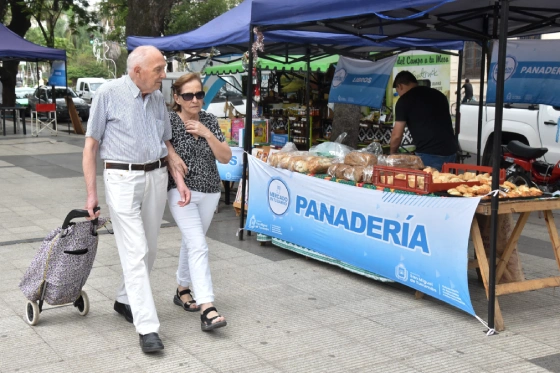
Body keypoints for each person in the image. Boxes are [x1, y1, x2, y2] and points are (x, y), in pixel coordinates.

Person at [82, 45, 189, 353]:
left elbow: (166, 143)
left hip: (155, 176)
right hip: (121, 178)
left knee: (151, 248)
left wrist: (178, 179)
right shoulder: (108, 94)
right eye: (159, 70)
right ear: (136, 71)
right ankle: (148, 327)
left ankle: (125, 299)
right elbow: (90, 147)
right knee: (136, 250)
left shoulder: (156, 98)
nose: (164, 75)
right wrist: (92, 194)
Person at [167, 72, 232, 331]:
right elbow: (162, 148)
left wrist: (207, 133)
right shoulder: (169, 120)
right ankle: (208, 307)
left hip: (210, 191)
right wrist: (171, 153)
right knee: (199, 245)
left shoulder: (209, 120)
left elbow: (225, 157)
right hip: (180, 191)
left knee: (192, 243)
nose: (195, 100)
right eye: (188, 95)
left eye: (199, 95)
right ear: (177, 98)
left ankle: (182, 288)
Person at [390, 70, 457, 171]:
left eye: (397, 90)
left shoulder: (404, 101)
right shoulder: (439, 95)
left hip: (429, 155)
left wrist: (392, 153)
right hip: (451, 152)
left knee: (427, 185)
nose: (398, 94)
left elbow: (396, 136)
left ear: (400, 86)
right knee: (446, 184)